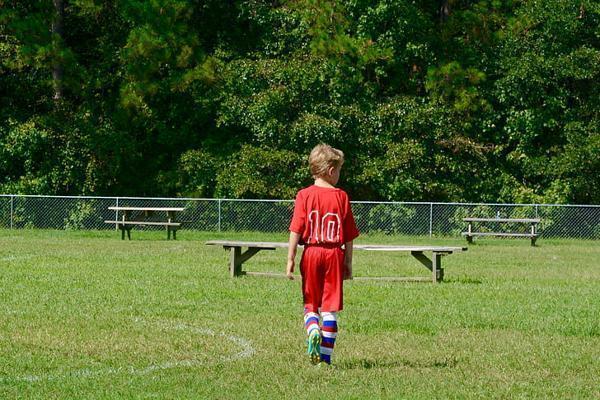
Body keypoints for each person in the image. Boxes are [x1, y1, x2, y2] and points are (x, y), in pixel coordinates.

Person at [286, 143, 359, 366]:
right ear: (330, 171)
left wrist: (290, 259)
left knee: (311, 303)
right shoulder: (341, 197)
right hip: (334, 254)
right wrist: (348, 262)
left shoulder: (304, 195)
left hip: (311, 253)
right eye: (339, 171)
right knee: (330, 309)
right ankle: (324, 360)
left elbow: (296, 229)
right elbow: (348, 236)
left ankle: (312, 328)